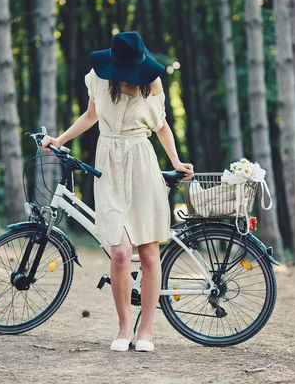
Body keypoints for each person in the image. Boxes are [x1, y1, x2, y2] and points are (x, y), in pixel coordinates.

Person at [42, 32, 194, 352]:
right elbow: (90, 116)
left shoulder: (151, 84)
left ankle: (146, 332)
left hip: (142, 163)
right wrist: (60, 140)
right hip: (109, 163)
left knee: (150, 253)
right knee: (121, 250)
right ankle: (124, 326)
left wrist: (176, 161)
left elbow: (162, 125)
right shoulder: (97, 78)